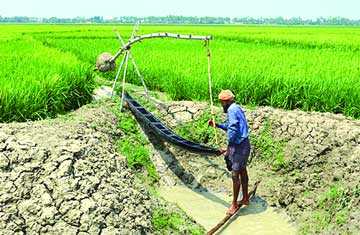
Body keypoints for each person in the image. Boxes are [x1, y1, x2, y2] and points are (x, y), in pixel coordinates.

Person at [208, 90, 251, 215]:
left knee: (235, 174)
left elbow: (232, 130)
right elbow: (230, 125)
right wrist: (217, 125)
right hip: (245, 144)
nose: (222, 106)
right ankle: (245, 198)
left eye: (221, 103)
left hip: (238, 146)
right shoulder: (236, 108)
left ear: (226, 102)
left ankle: (234, 204)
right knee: (243, 170)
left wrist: (228, 148)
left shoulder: (231, 110)